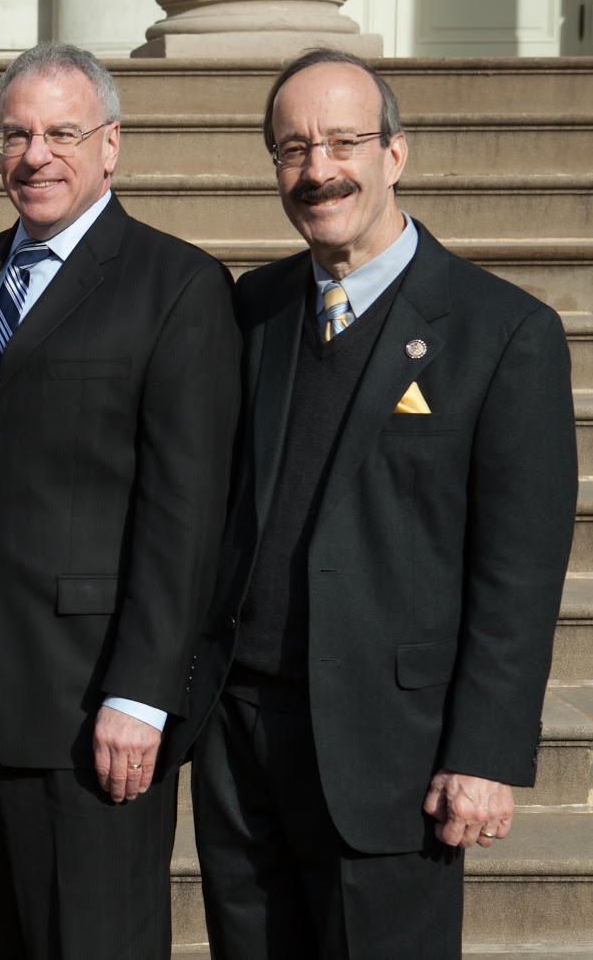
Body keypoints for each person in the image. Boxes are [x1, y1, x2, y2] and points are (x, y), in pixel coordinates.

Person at [172, 48, 577, 958]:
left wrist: (485, 752)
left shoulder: (503, 332)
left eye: (344, 142)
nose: (319, 170)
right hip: (243, 735)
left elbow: (518, 572)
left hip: (393, 748)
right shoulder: (257, 308)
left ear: (396, 153)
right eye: (293, 148)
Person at [0, 42, 241, 959]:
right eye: (14, 134)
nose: (35, 154)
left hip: (90, 701)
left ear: (111, 145)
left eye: (62, 131)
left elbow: (187, 513)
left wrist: (141, 693)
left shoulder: (177, 286)